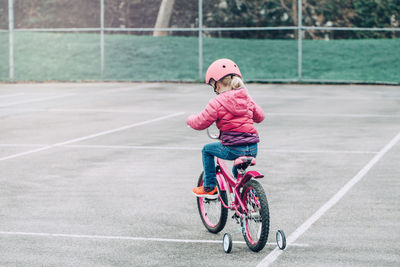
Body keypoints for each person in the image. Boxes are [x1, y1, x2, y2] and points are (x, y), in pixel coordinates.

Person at [187, 58, 265, 197]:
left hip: (233, 148)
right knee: (239, 174)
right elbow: (260, 117)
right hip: (253, 148)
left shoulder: (217, 102)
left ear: (217, 84)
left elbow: (201, 122)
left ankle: (209, 187)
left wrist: (189, 120)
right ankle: (244, 198)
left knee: (207, 150)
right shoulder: (247, 98)